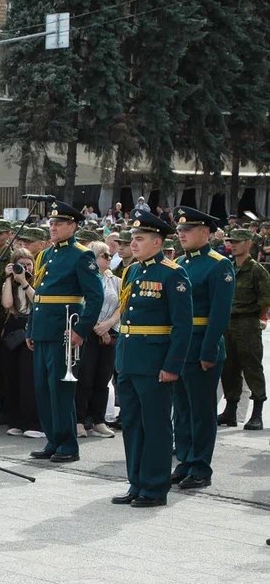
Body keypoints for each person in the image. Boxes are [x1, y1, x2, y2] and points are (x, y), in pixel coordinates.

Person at [111, 208, 192, 508]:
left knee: (156, 426)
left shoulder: (172, 273)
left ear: (158, 242)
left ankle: (155, 487)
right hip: (129, 361)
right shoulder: (133, 271)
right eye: (132, 238)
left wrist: (172, 365)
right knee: (132, 424)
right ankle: (137, 482)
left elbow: (182, 326)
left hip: (155, 364)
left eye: (140, 238)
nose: (133, 244)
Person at [26, 202, 104, 463]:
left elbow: (95, 297)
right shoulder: (46, 255)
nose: (53, 227)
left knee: (60, 389)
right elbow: (38, 297)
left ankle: (68, 444)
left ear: (73, 226)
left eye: (59, 224)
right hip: (43, 330)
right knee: (42, 389)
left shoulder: (81, 255)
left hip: (63, 331)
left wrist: (81, 329)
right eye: (51, 223)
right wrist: (31, 328)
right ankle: (53, 439)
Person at [171, 207, 235, 489]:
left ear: (206, 232)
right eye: (180, 230)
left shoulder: (218, 264)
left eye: (189, 230)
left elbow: (220, 314)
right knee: (182, 410)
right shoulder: (181, 264)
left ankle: (200, 466)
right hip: (179, 347)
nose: (181, 234)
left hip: (200, 346)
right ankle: (185, 460)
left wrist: (208, 350)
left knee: (201, 410)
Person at [218, 228, 270, 430]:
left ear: (248, 243)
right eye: (231, 241)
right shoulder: (228, 267)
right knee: (228, 367)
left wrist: (255, 318)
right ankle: (230, 411)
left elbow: (265, 300)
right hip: (228, 323)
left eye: (238, 242)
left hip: (248, 322)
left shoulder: (257, 270)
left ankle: (256, 414)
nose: (233, 245)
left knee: (252, 367)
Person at [72, 241, 120, 438]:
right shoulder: (85, 278)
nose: (109, 258)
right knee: (85, 376)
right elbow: (84, 304)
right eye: (104, 255)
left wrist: (107, 325)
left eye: (109, 255)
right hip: (89, 331)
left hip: (109, 331)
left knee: (103, 376)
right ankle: (79, 420)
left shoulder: (115, 280)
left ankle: (98, 419)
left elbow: (121, 305)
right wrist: (97, 326)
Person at [0, 248, 43, 438]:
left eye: (28, 264)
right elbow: (7, 304)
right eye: (20, 265)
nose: (24, 268)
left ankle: (32, 422)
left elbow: (37, 301)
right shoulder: (10, 283)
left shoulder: (38, 282)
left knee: (28, 378)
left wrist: (25, 282)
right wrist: (9, 279)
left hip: (31, 327)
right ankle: (16, 420)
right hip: (13, 330)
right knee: (12, 377)